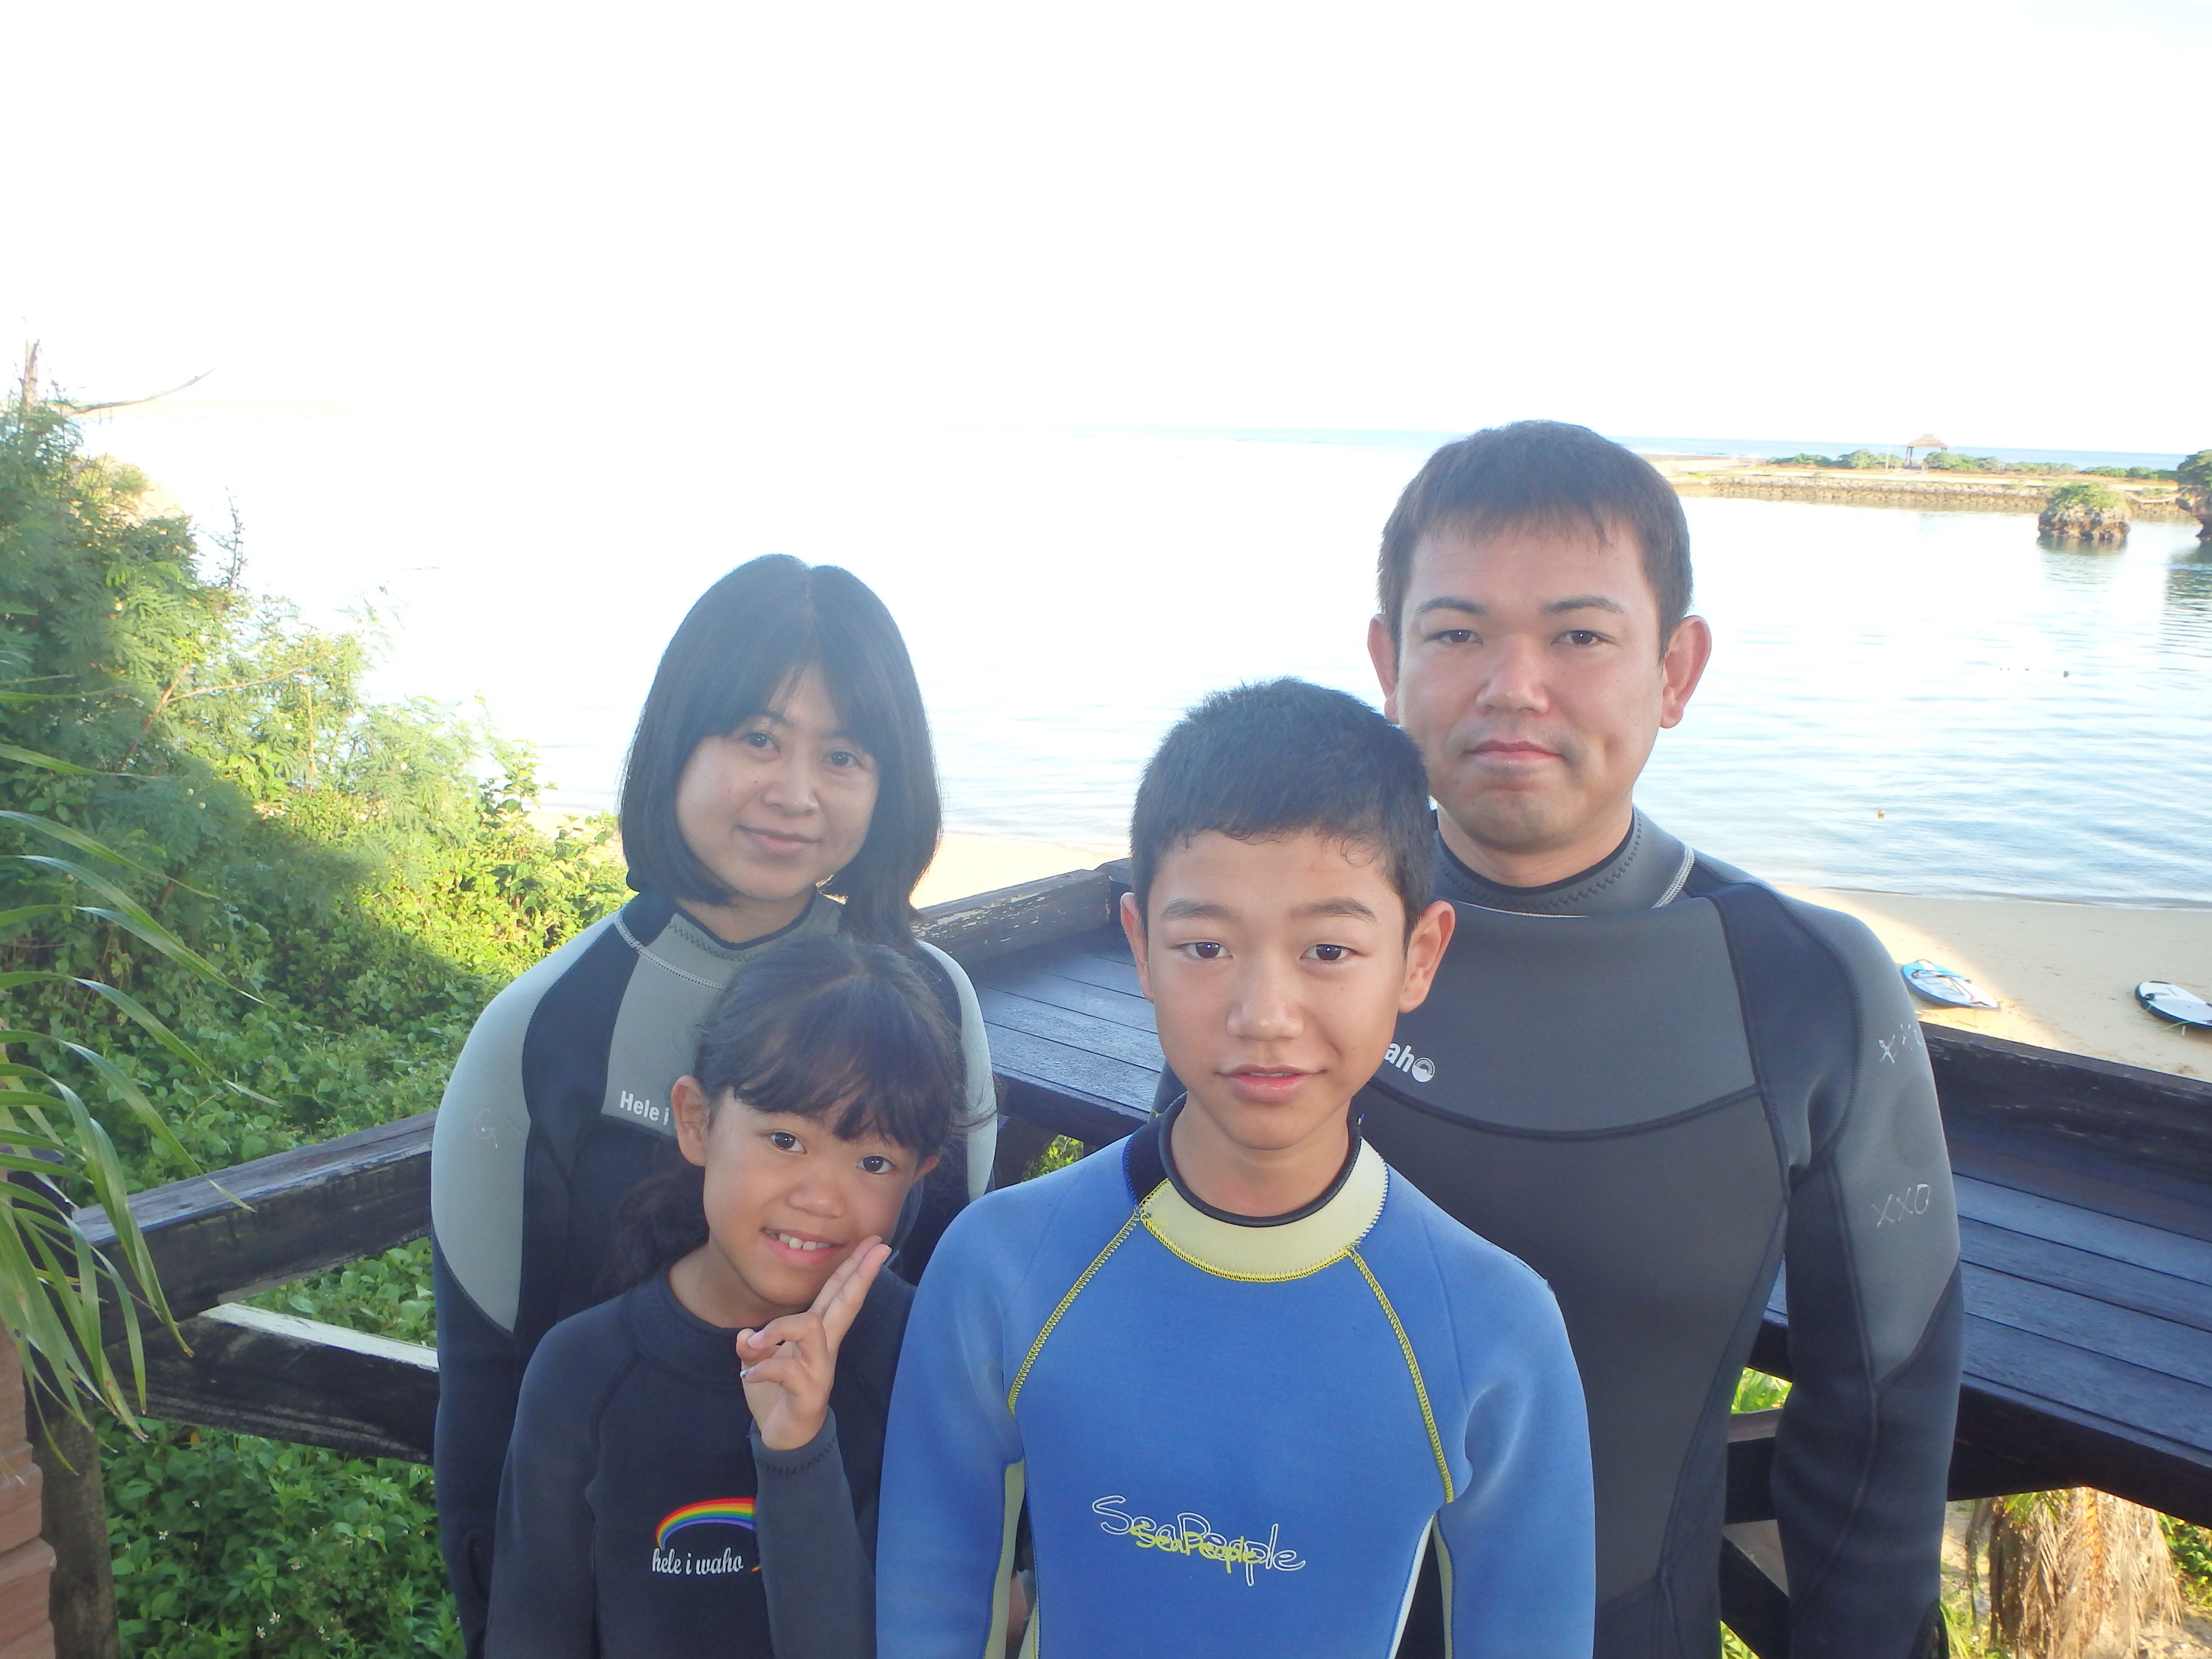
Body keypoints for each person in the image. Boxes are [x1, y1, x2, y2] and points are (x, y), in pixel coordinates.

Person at [1355, 421, 1962, 1659]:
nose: (1512, 685)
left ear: (1675, 671)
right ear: (1389, 663)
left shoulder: (1801, 988)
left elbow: (1884, 1418)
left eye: (1579, 636)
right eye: (1456, 633)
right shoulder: (1293, 944)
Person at [876, 679, 1595, 1659]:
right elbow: (927, 1608)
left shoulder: (1494, 1328)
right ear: (1139, 946)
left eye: (1329, 949)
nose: (1264, 1013)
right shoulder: (1000, 1266)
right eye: (1206, 946)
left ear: (1419, 956)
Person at [432, 555, 1000, 1653]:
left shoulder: (928, 1004)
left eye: (844, 754)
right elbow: (485, 1393)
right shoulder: (546, 1026)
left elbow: (946, 1341)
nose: (796, 792)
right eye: (758, 738)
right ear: (677, 744)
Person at [485, 933, 967, 1659]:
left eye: (873, 1161)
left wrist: (798, 1454)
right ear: (697, 1121)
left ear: (917, 1175)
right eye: (785, 1140)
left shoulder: (925, 1361)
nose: (821, 1198)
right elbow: (532, 1632)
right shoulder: (583, 1371)